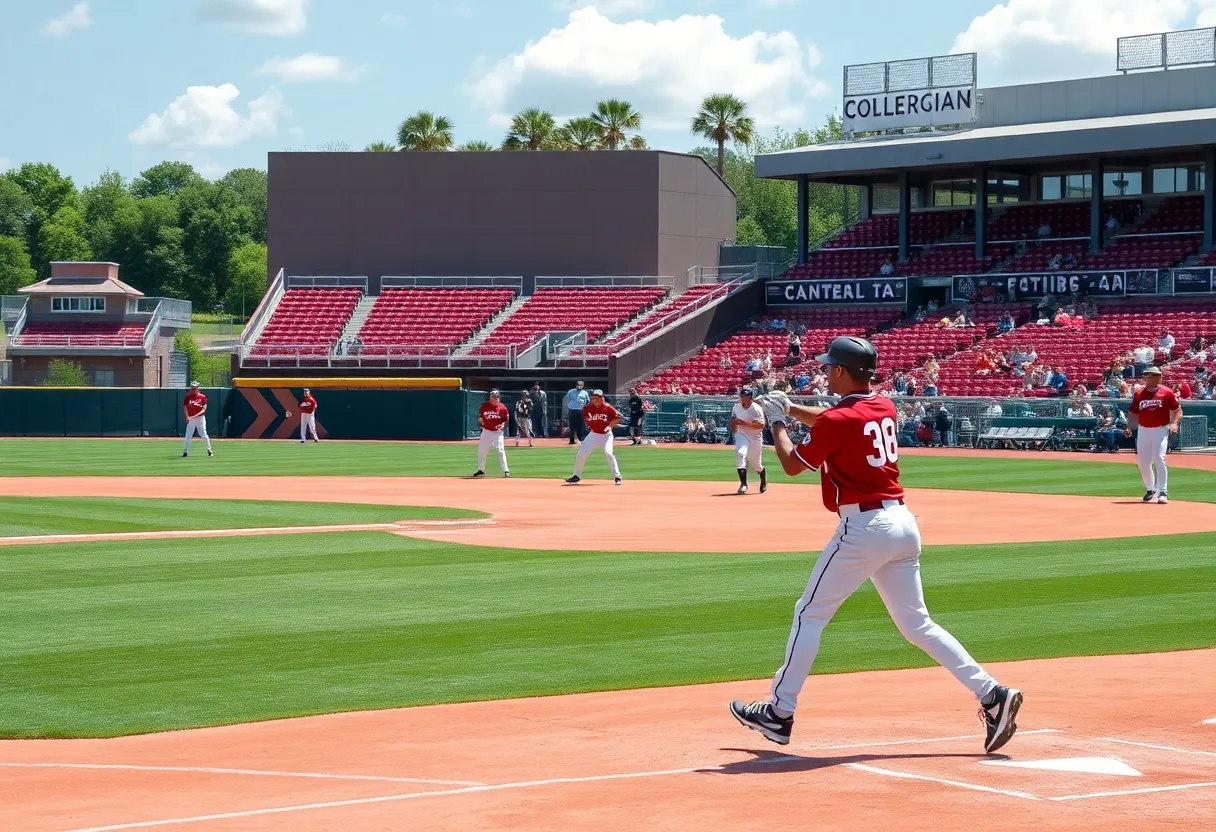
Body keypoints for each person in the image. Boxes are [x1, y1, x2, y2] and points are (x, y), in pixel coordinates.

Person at [728, 337, 1022, 753]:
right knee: (918, 625)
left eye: (831, 367)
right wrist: (792, 408)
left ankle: (779, 712)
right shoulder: (883, 405)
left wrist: (777, 422)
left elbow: (794, 465)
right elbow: (836, 421)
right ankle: (992, 695)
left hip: (864, 528)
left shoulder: (837, 419)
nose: (826, 372)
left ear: (843, 372)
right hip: (902, 522)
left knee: (808, 614)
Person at [1127, 367, 1182, 503]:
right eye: (1145, 375)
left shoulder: (1167, 393)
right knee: (1143, 463)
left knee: (1159, 458)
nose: (1146, 378)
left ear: (1158, 377)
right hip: (1143, 430)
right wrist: (1129, 426)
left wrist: (1174, 423)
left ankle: (1163, 491)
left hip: (1160, 429)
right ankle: (1150, 488)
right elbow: (1133, 412)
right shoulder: (1139, 394)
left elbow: (1177, 410)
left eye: (1150, 376)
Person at [565, 390, 622, 485]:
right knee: (581, 454)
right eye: (593, 398)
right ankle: (576, 476)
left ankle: (617, 476)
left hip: (606, 435)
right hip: (593, 434)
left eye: (597, 398)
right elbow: (586, 417)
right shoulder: (588, 408)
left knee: (609, 453)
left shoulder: (608, 408)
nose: (594, 400)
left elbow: (619, 418)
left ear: (602, 398)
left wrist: (610, 425)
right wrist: (590, 423)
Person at [730, 387, 767, 495]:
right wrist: (734, 425)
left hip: (755, 437)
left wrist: (745, 423)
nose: (742, 399)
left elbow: (761, 425)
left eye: (744, 397)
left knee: (757, 465)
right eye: (741, 396)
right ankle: (743, 484)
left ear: (750, 398)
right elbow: (732, 420)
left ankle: (763, 481)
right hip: (741, 434)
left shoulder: (756, 409)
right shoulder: (736, 408)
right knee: (741, 454)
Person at [473, 390, 510, 478]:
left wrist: (502, 425)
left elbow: (505, 420)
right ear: (490, 397)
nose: (494, 399)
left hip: (497, 433)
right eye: (492, 397)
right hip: (486, 432)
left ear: (498, 398)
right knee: (482, 451)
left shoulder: (502, 408)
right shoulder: (484, 406)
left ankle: (506, 470)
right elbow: (480, 416)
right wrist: (481, 421)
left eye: (496, 397)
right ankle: (481, 470)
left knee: (500, 451)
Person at [181, 380, 213, 458]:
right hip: (191, 419)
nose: (193, 389)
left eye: (195, 388)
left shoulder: (202, 397)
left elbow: (204, 409)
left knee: (203, 434)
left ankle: (209, 449)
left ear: (198, 388)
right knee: (188, 435)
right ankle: (185, 451)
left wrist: (195, 416)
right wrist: (187, 416)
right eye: (192, 388)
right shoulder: (188, 397)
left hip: (200, 419)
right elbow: (185, 407)